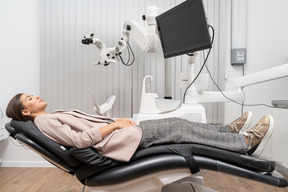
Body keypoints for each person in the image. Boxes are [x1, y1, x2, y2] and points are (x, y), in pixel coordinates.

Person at [6, 93, 274, 162]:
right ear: (26, 112)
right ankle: (244, 143)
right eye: (30, 99)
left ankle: (227, 131)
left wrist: (117, 122)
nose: (36, 96)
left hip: (122, 132)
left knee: (179, 124)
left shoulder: (51, 114)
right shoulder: (43, 120)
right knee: (180, 131)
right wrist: (115, 127)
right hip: (118, 142)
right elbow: (79, 140)